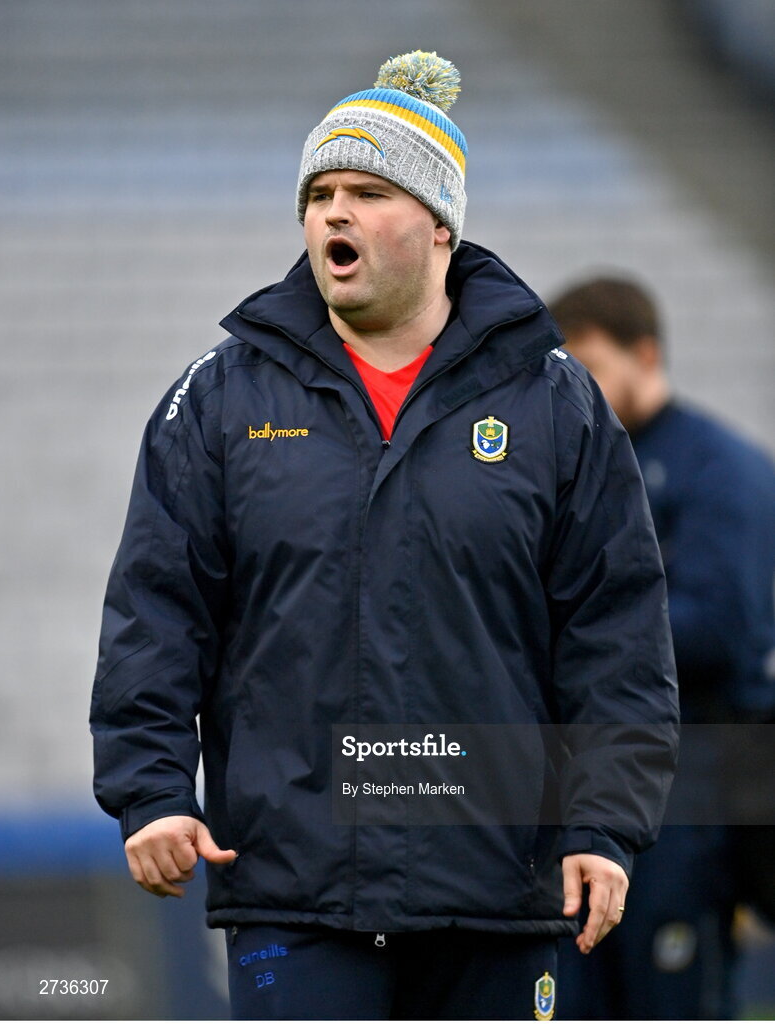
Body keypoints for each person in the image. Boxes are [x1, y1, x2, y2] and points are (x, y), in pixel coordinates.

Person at [91, 53, 679, 1021]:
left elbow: (616, 633)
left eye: (367, 191)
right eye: (318, 193)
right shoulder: (221, 399)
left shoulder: (555, 400)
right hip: (296, 892)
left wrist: (605, 825)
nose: (334, 213)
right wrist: (152, 790)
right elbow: (156, 611)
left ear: (440, 224)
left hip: (499, 891)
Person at [549, 274, 775, 1020]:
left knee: (671, 992)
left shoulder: (723, 470)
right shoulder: (578, 469)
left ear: (644, 354)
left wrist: (582, 631)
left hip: (697, 779)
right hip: (590, 782)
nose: (576, 387)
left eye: (591, 366)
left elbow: (724, 629)